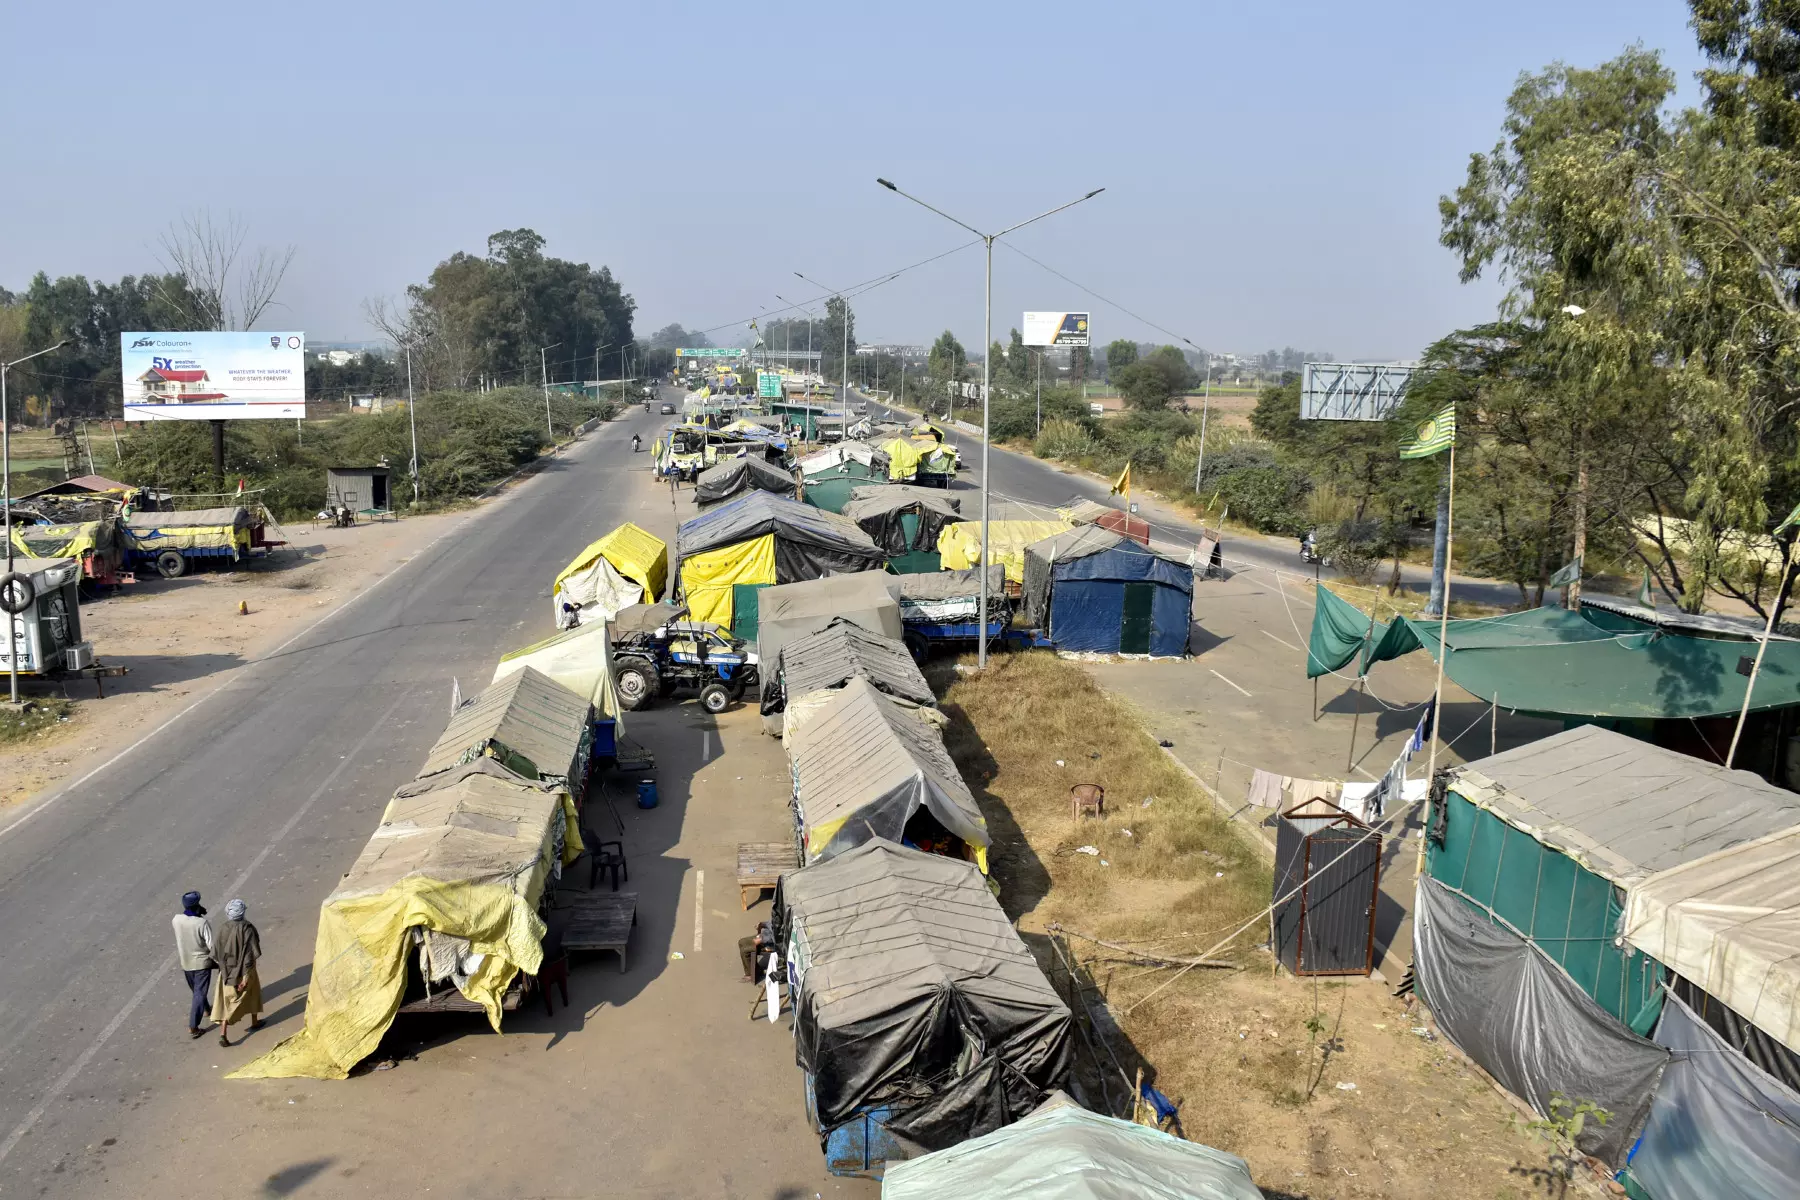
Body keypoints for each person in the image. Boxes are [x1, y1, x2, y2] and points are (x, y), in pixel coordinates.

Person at [210, 898, 264, 1047]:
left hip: (227, 973)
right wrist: (246, 977)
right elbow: (251, 954)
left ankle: (223, 1033)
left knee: (226, 1002)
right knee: (253, 994)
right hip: (246, 972)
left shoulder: (223, 928)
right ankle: (255, 1021)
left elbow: (216, 953)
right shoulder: (248, 928)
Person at [171, 891, 214, 1039]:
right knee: (199, 993)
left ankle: (207, 1009)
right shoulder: (201, 923)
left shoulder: (176, 920)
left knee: (197, 990)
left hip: (186, 962)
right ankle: (193, 1027)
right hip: (201, 963)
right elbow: (211, 945)